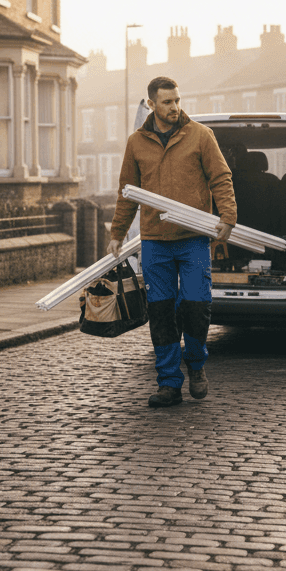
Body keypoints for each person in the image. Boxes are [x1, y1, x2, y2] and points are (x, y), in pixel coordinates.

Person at [108, 76, 236, 407]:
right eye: (167, 102)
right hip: (155, 241)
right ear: (151, 104)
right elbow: (127, 192)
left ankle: (195, 365)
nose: (174, 107)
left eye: (177, 100)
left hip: (193, 239)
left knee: (196, 307)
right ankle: (168, 383)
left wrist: (227, 217)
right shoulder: (136, 143)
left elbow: (220, 177)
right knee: (162, 312)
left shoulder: (200, 136)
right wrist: (116, 234)